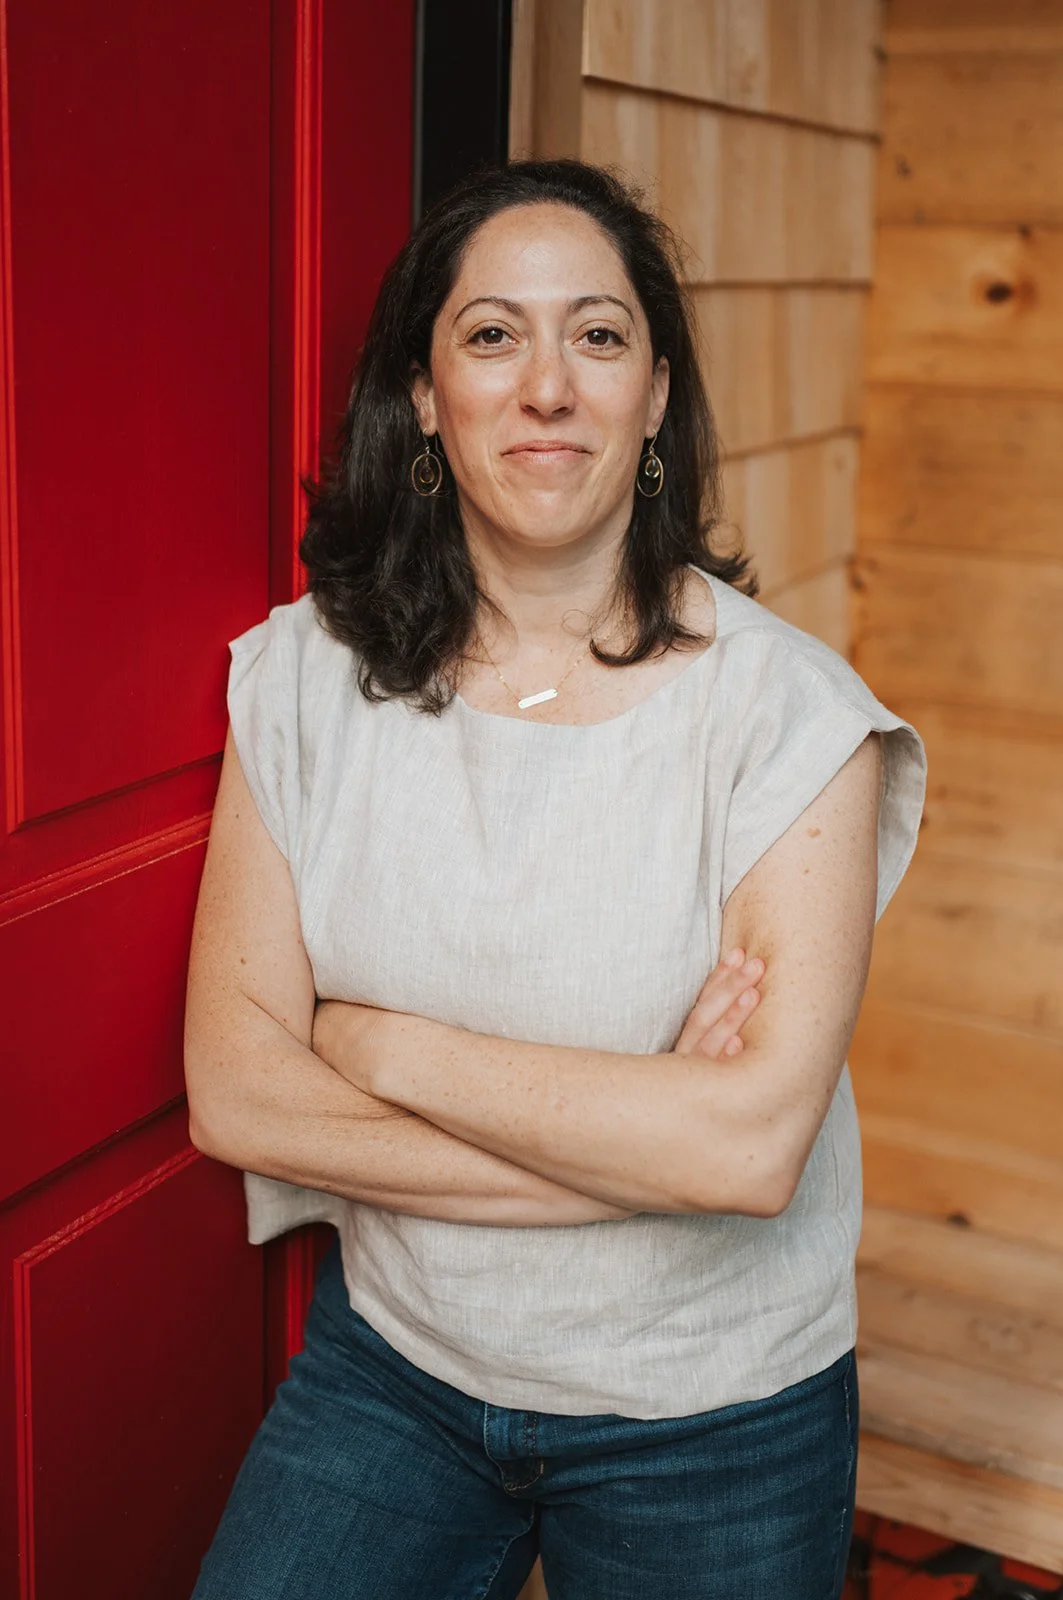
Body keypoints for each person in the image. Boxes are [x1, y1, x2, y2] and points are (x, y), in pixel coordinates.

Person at [184, 158, 927, 1600]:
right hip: (395, 1369)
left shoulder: (788, 717)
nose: (546, 387)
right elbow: (238, 1094)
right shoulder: (301, 680)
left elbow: (745, 1153)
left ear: (654, 395)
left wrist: (372, 1043)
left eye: (596, 336)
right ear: (421, 391)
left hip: (710, 1416)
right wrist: (638, 1151)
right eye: (490, 335)